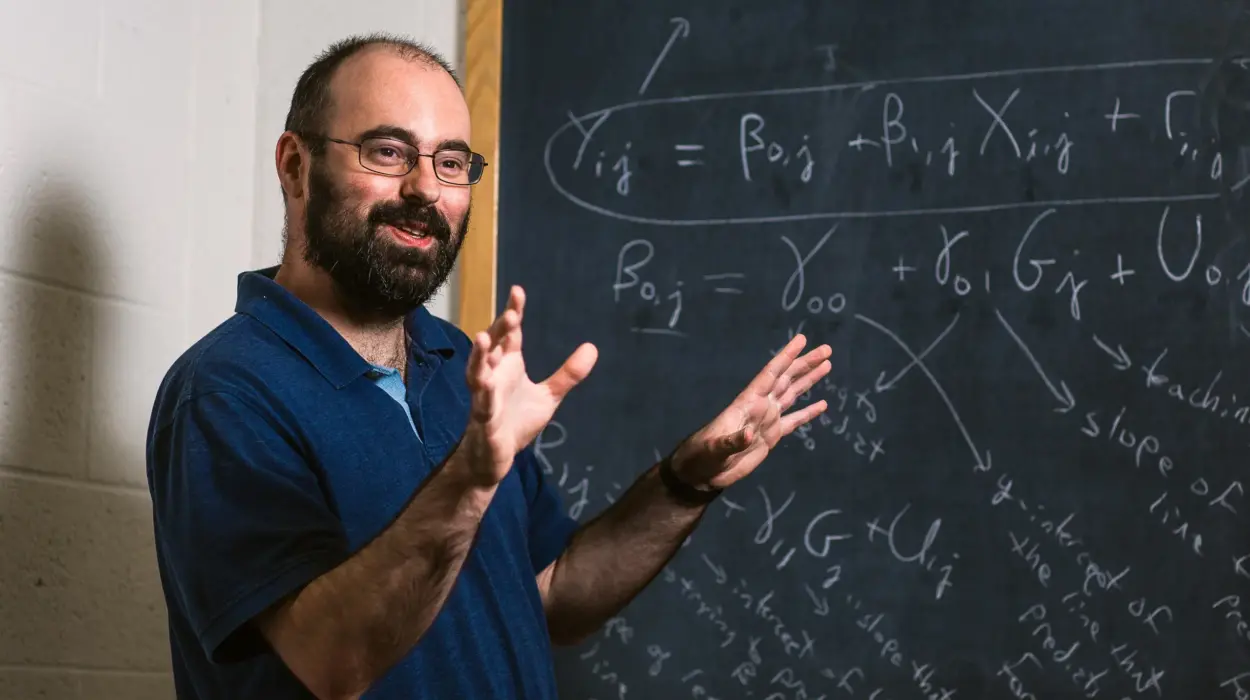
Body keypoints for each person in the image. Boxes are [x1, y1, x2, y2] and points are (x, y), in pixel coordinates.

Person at [145, 33, 832, 700]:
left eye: (451, 162)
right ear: (296, 166)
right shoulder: (226, 391)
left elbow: (554, 592)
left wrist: (683, 485)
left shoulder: (459, 366)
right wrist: (470, 480)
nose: (425, 188)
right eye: (389, 151)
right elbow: (332, 661)